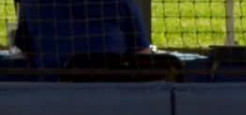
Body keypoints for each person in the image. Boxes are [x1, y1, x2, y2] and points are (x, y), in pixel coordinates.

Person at [14, 0, 152, 68]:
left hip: (48, 97)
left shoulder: (32, 3)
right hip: (111, 96)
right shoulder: (122, 3)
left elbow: (26, 52)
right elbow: (143, 56)